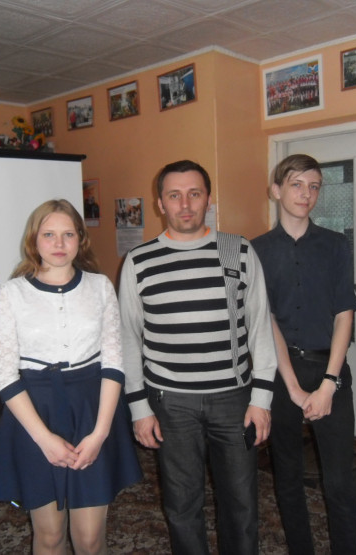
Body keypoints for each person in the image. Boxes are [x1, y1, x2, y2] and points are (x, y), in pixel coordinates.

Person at [119, 160, 277, 555]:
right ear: (160, 203)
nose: (185, 204)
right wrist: (139, 407)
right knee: (181, 505)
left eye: (194, 194)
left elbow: (260, 327)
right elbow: (128, 338)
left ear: (208, 199)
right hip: (170, 402)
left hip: (233, 400)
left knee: (241, 505)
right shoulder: (139, 261)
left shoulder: (237, 250)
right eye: (174, 195)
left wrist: (261, 399)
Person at [0, 199, 142, 554]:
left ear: (80, 239)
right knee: (50, 536)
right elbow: (5, 373)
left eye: (68, 234)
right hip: (34, 414)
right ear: (33, 239)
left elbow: (113, 362)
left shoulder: (100, 286)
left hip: (93, 410)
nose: (59, 243)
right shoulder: (11, 293)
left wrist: (100, 434)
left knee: (90, 538)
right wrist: (44, 439)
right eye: (49, 234)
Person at [251, 154, 356, 555]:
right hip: (282, 375)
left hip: (330, 368)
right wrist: (294, 388)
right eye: (297, 184)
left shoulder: (335, 245)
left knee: (340, 480)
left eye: (314, 186)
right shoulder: (256, 251)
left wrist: (329, 384)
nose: (306, 194)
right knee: (288, 475)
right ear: (276, 190)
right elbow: (268, 321)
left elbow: (344, 314)